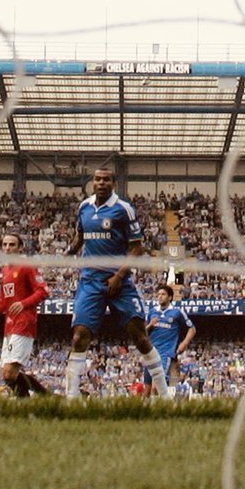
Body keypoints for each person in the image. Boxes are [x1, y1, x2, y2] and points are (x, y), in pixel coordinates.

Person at [64, 167, 169, 398]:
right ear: (92, 183)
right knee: (79, 337)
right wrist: (69, 252)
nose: (101, 183)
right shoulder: (84, 207)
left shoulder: (123, 209)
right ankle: (71, 399)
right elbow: (80, 236)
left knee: (140, 337)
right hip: (90, 281)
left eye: (106, 180)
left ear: (114, 183)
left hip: (120, 282)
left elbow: (137, 248)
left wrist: (119, 276)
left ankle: (165, 396)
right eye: (97, 179)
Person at [0, 232, 50, 397]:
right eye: (5, 244)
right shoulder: (5, 270)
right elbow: (3, 302)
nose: (7, 248)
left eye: (12, 244)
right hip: (10, 326)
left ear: (20, 248)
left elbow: (43, 291)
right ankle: (43, 399)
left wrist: (23, 303)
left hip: (24, 323)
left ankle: (43, 399)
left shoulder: (26, 266)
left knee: (9, 372)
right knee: (7, 375)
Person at [145, 283, 196, 396]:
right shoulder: (152, 312)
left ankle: (160, 407)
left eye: (163, 294)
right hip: (150, 352)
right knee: (147, 390)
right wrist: (150, 325)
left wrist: (184, 343)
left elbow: (192, 329)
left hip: (165, 353)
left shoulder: (177, 312)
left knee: (156, 386)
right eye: (158, 294)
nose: (160, 296)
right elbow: (143, 333)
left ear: (170, 297)